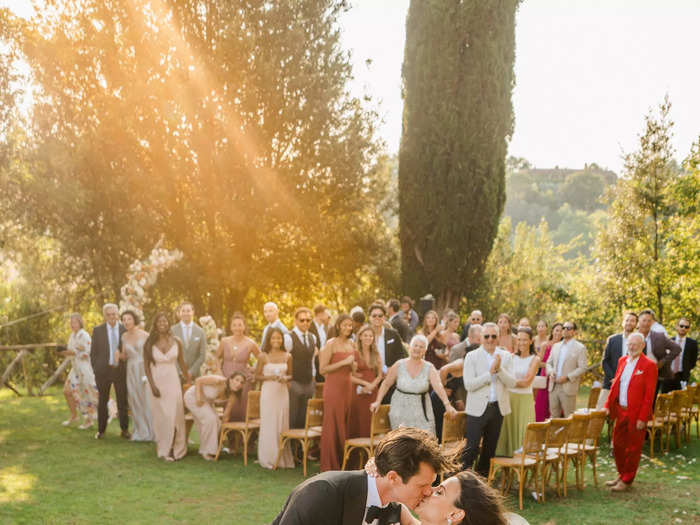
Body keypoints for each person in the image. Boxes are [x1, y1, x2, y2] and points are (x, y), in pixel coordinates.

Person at [271, 427, 462, 525]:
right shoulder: (324, 493)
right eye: (422, 486)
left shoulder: (395, 508)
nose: (429, 492)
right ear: (393, 478)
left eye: (432, 485)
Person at [364, 459, 510, 525]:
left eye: (439, 492)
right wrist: (382, 467)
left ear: (455, 514)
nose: (428, 491)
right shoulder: (401, 514)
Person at [371, 335, 457, 436]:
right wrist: (378, 401)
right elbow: (386, 384)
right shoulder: (399, 365)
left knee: (424, 441)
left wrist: (447, 405)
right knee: (402, 442)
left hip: (422, 411)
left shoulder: (429, 367)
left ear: (425, 351)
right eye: (415, 345)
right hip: (400, 410)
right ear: (410, 348)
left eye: (421, 347)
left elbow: (438, 386)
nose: (417, 349)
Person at [604, 332, 658, 492]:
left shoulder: (649, 365)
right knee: (618, 444)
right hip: (620, 410)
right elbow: (615, 386)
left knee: (633, 448)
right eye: (630, 344)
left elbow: (649, 395)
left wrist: (643, 417)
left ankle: (627, 480)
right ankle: (621, 474)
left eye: (636, 344)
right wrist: (608, 405)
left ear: (642, 346)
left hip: (636, 413)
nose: (632, 347)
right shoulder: (622, 361)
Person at [461, 322, 516, 477]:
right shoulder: (472, 356)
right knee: (470, 448)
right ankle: (461, 482)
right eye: (487, 336)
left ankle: (482, 484)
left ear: (498, 337)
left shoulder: (505, 356)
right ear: (481, 338)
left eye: (493, 336)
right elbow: (469, 385)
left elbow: (512, 383)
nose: (490, 339)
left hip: (498, 408)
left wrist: (499, 370)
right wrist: (489, 374)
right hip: (477, 409)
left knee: (489, 450)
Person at [144, 312, 191, 461]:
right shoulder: (149, 342)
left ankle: (173, 448)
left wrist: (190, 380)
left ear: (168, 323)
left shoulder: (176, 341)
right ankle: (164, 445)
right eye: (159, 322)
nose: (162, 324)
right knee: (161, 418)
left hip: (172, 382)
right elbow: (146, 367)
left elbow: (182, 364)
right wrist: (152, 386)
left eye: (165, 321)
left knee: (174, 415)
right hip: (156, 382)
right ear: (155, 324)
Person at [319, 314, 356, 471]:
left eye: (350, 325)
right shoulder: (331, 344)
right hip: (333, 387)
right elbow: (322, 369)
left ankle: (344, 463)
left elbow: (353, 369)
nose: (348, 328)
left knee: (345, 422)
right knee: (333, 423)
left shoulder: (352, 344)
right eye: (345, 325)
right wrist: (343, 362)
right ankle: (330, 464)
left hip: (347, 387)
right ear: (338, 325)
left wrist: (353, 366)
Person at [495, 327, 540, 457]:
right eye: (519, 339)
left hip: (525, 400)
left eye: (525, 340)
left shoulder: (535, 359)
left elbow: (527, 382)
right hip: (510, 399)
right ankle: (505, 465)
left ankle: (522, 465)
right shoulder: (511, 357)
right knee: (508, 431)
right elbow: (501, 375)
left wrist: (510, 381)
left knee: (524, 431)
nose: (521, 343)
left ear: (531, 341)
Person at [255, 327, 294, 469]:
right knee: (269, 424)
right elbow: (256, 376)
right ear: (269, 340)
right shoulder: (263, 356)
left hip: (282, 393)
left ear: (282, 340)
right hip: (268, 392)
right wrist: (270, 377)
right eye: (273, 338)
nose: (276, 340)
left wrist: (285, 378)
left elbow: (291, 375)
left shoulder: (288, 356)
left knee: (281, 423)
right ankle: (268, 458)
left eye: (279, 338)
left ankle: (282, 457)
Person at [90, 303, 129, 440]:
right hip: (103, 371)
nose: (112, 317)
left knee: (122, 401)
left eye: (114, 314)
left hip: (120, 370)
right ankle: (101, 431)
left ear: (117, 314)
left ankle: (124, 430)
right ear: (105, 316)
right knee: (102, 401)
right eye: (109, 314)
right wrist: (96, 369)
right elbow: (93, 353)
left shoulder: (125, 329)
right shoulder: (98, 330)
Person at [216, 312, 260, 421]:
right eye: (234, 325)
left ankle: (241, 437)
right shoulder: (224, 341)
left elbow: (263, 359)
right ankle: (225, 435)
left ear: (244, 326)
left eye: (240, 325)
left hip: (243, 381)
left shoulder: (250, 343)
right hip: (226, 378)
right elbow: (216, 358)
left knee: (240, 409)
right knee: (227, 410)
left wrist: (254, 370)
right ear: (231, 327)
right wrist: (219, 373)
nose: (237, 328)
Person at [59, 313, 98, 429]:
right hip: (75, 368)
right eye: (71, 323)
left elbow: (88, 352)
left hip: (84, 369)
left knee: (86, 394)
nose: (72, 325)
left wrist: (73, 352)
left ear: (80, 322)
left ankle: (89, 420)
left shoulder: (84, 335)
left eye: (75, 322)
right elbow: (71, 351)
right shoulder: (72, 335)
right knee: (67, 391)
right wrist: (65, 352)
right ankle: (74, 416)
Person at [120, 310, 154, 441]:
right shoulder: (124, 336)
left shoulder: (145, 335)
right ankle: (140, 431)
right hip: (131, 369)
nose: (126, 322)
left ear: (134, 320)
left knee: (146, 398)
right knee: (134, 399)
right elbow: (125, 355)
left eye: (129, 319)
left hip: (143, 368)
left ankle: (151, 431)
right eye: (124, 320)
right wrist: (118, 356)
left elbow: (151, 354)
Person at [284, 307, 318, 429]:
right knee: (292, 416)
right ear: (296, 321)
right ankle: (290, 446)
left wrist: (313, 378)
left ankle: (300, 447)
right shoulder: (288, 338)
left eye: (308, 320)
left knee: (304, 418)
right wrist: (288, 381)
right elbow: (284, 359)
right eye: (302, 320)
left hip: (308, 383)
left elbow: (312, 360)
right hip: (294, 383)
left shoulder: (312, 338)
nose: (305, 323)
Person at [546, 321, 587, 417]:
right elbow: (548, 363)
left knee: (569, 417)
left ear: (574, 332)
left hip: (568, 387)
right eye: (564, 328)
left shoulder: (580, 348)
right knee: (553, 417)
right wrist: (551, 372)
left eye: (568, 328)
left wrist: (568, 377)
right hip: (554, 386)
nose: (565, 330)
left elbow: (583, 368)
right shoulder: (556, 346)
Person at [183, 374, 229, 460]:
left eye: (241, 382)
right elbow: (198, 380)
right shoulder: (219, 379)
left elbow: (211, 395)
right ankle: (206, 451)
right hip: (193, 397)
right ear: (231, 379)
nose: (238, 384)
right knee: (210, 420)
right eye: (237, 380)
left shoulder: (228, 390)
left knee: (217, 422)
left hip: (206, 401)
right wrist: (198, 398)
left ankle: (214, 448)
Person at [348, 324, 383, 438]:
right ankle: (355, 453)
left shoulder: (376, 354)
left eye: (371, 336)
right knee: (357, 421)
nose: (368, 338)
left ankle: (369, 452)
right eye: (366, 335)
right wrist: (365, 384)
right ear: (360, 337)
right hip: (357, 392)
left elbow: (380, 375)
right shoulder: (354, 353)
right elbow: (349, 376)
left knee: (370, 421)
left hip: (372, 392)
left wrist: (372, 386)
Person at [598, 312, 638, 409]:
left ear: (636, 324)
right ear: (623, 323)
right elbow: (605, 361)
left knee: (622, 415)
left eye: (632, 321)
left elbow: (640, 363)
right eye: (627, 320)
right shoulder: (612, 340)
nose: (629, 323)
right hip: (610, 383)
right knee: (599, 412)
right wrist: (613, 378)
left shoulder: (640, 341)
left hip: (629, 386)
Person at [637, 309, 681, 394]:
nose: (646, 323)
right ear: (639, 321)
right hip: (636, 374)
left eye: (649, 321)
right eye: (644, 320)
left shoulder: (659, 336)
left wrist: (663, 361)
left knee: (651, 400)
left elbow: (677, 348)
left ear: (652, 322)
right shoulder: (633, 337)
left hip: (654, 373)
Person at [170, 301, 207, 379]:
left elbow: (202, 355)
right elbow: (170, 352)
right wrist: (180, 371)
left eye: (188, 311)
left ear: (193, 312)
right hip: (176, 374)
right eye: (183, 311)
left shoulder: (200, 331)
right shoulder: (172, 330)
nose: (186, 313)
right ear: (179, 313)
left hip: (195, 375)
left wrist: (191, 372)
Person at [368, 303, 407, 375]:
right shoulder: (364, 335)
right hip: (370, 377)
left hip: (389, 377)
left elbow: (401, 356)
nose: (377, 317)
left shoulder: (393, 334)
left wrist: (391, 369)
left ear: (384, 318)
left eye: (380, 315)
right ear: (369, 318)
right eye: (374, 315)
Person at [534, 322, 562, 422]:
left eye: (561, 331)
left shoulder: (563, 346)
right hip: (545, 377)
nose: (558, 333)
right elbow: (539, 363)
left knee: (556, 405)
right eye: (557, 330)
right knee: (542, 403)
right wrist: (549, 366)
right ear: (552, 331)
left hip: (558, 378)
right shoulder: (545, 345)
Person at [664, 318, 697, 392]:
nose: (683, 328)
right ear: (677, 326)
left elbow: (693, 362)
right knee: (665, 400)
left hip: (682, 377)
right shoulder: (669, 341)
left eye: (686, 327)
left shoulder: (693, 344)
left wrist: (685, 370)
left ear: (688, 329)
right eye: (681, 326)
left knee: (680, 402)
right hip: (668, 376)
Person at [309, 304, 330, 382]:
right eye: (326, 313)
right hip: (314, 362)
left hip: (322, 361)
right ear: (320, 314)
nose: (328, 316)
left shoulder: (323, 328)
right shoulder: (310, 327)